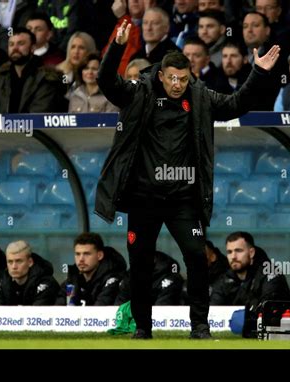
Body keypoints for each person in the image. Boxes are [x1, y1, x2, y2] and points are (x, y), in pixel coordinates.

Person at [95, 19, 280, 339]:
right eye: (172, 79)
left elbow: (237, 104)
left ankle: (200, 326)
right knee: (139, 264)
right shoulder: (138, 93)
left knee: (196, 257)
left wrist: (258, 73)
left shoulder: (200, 96)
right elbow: (106, 82)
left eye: (183, 78)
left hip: (182, 198)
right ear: (162, 76)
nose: (178, 84)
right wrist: (118, 47)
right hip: (143, 198)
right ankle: (142, 328)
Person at [0, 27, 67, 113]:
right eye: (11, 44)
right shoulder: (1, 77)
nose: (15, 48)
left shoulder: (47, 78)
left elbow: (39, 114)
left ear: (32, 48)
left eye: (20, 44)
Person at [211, 232, 290, 307]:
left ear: (251, 252)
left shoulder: (270, 273)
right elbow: (214, 311)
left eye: (238, 251)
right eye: (229, 252)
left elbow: (267, 310)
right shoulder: (225, 278)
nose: (233, 256)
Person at [62, 233, 127, 306]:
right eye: (77, 254)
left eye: (86, 254)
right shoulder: (72, 279)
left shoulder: (112, 280)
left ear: (100, 255)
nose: (81, 259)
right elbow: (56, 309)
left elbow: (99, 312)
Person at [0, 240, 65, 305]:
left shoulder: (46, 283)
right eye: (10, 262)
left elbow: (37, 315)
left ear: (30, 262)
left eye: (19, 261)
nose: (14, 267)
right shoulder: (3, 283)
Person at [115, 250, 184, 305]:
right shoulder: (129, 278)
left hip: (167, 319)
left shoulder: (168, 276)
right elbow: (119, 309)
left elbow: (162, 311)